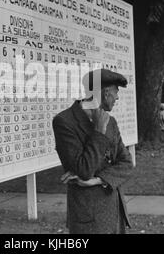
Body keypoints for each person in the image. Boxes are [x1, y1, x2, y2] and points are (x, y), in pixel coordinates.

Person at [52, 69, 134, 234]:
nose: (117, 98)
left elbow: (126, 163)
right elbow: (83, 170)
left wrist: (97, 180)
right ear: (105, 93)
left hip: (114, 209)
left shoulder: (110, 121)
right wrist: (98, 131)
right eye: (116, 92)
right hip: (88, 218)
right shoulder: (64, 122)